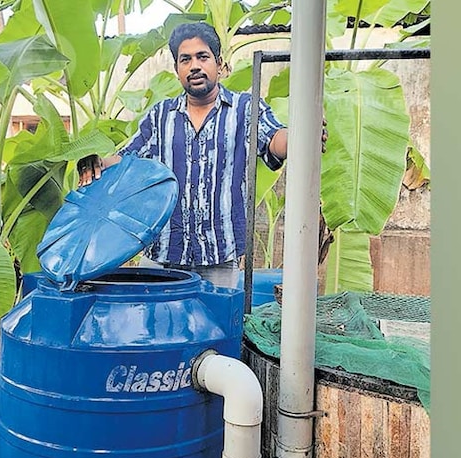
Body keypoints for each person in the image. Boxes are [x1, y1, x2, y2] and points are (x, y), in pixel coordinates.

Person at [79, 22, 325, 288]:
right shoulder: (160, 116)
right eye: (185, 60)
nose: (194, 66)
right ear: (177, 70)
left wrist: (302, 136)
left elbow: (274, 140)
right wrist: (98, 164)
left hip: (219, 260)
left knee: (216, 329)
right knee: (158, 329)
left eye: (202, 57)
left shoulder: (244, 109)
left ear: (219, 64)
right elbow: (128, 161)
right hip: (163, 258)